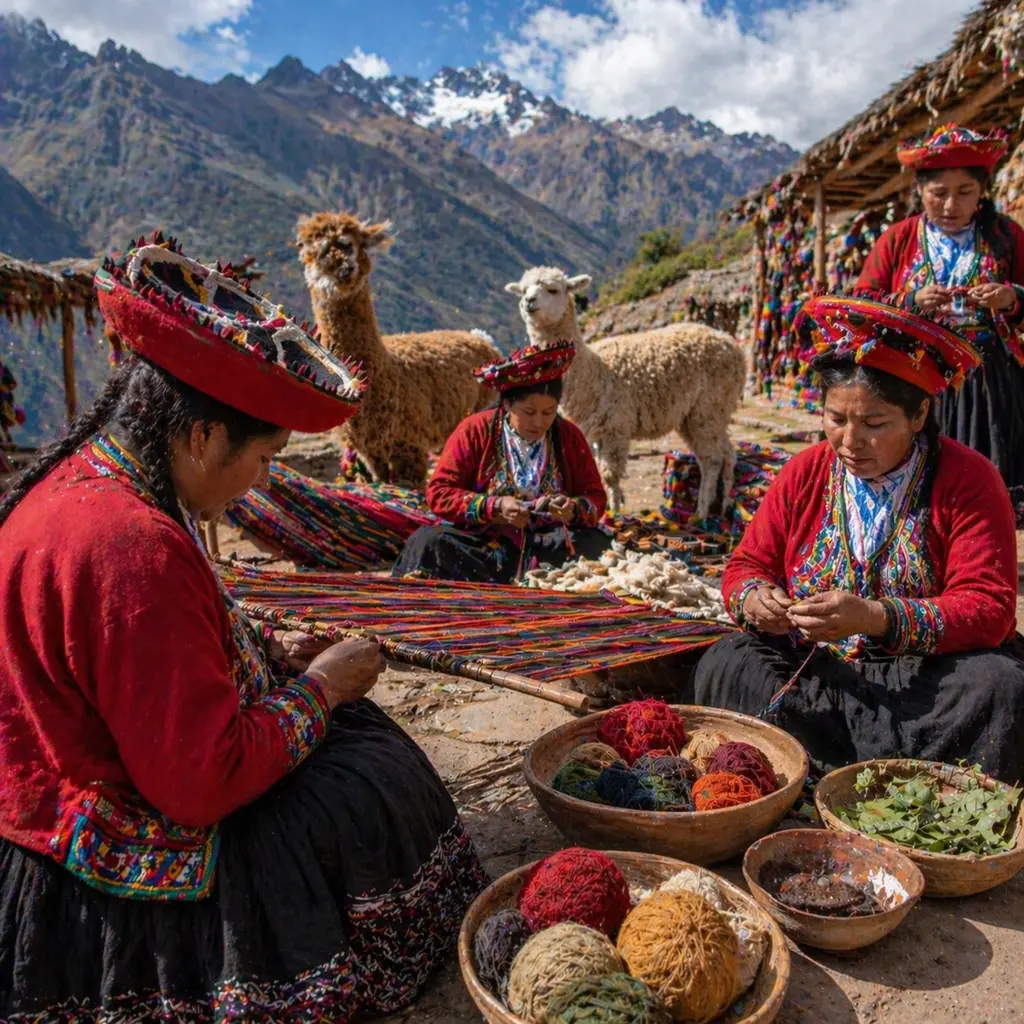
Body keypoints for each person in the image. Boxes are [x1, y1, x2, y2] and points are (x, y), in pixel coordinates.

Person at [0, 237, 487, 1019]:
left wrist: (261, 651)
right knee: (365, 785)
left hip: (63, 776)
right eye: (265, 459)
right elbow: (200, 785)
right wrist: (322, 689)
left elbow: (158, 651)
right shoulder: (133, 548)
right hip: (110, 826)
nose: (264, 481)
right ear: (201, 437)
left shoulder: (95, 479)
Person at [694, 297, 1024, 781]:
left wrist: (875, 616)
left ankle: (898, 784)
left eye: (874, 424)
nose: (850, 442)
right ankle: (812, 777)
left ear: (918, 415)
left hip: (924, 683)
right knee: (729, 661)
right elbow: (747, 565)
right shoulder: (804, 472)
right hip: (821, 674)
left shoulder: (969, 480)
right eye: (836, 419)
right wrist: (755, 598)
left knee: (1000, 687)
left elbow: (989, 607)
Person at [855, 123, 1024, 507]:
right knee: (924, 481)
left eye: (965, 192)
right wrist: (910, 300)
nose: (951, 205)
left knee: (984, 478)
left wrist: (1010, 297)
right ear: (919, 191)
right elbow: (863, 303)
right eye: (938, 194)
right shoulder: (898, 239)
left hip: (987, 384)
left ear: (982, 191)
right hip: (915, 379)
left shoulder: (1006, 236)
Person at [393, 340, 610, 582]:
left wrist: (572, 509)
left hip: (548, 543)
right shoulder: (475, 430)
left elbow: (595, 497)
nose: (539, 422)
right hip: (485, 545)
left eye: (548, 412)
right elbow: (440, 493)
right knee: (429, 542)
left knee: (599, 544)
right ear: (507, 404)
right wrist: (494, 506)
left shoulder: (568, 436)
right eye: (529, 412)